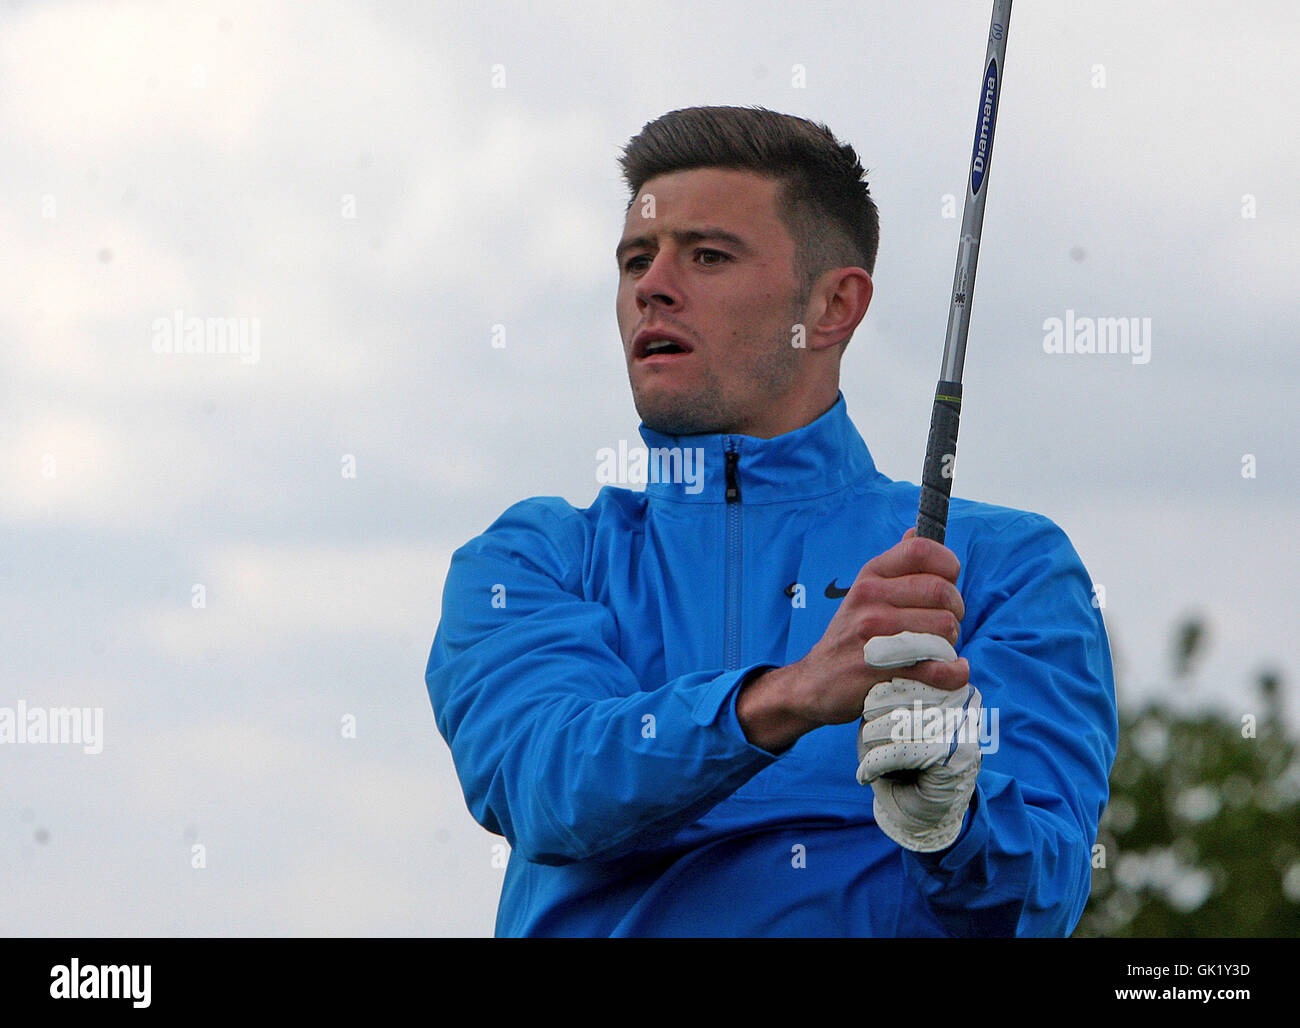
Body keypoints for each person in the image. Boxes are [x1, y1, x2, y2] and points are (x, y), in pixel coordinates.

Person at [425, 105, 1117, 937]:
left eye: (707, 255)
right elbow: (547, 783)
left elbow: (1041, 897)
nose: (654, 286)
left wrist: (957, 821)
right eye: (636, 259)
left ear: (833, 306)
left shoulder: (1004, 566)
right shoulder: (532, 559)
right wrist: (789, 698)